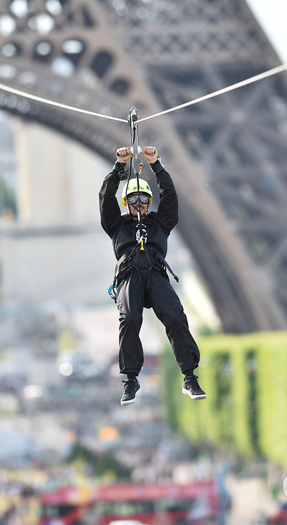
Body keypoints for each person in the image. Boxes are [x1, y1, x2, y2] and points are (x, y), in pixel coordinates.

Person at [100, 145, 205, 406]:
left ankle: (189, 377)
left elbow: (170, 196)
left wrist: (156, 164)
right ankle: (130, 380)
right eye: (133, 201)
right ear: (126, 204)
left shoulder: (160, 223)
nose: (138, 205)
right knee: (130, 318)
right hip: (129, 276)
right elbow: (105, 197)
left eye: (143, 200)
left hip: (156, 274)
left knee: (175, 315)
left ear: (149, 203)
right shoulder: (117, 226)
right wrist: (119, 168)